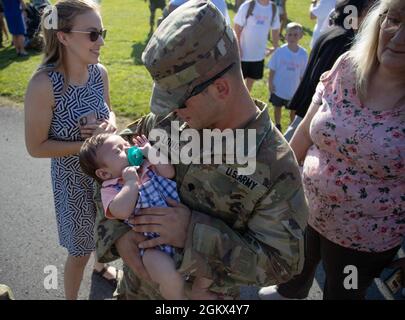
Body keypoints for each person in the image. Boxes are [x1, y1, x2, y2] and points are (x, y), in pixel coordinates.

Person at [94, 0, 308, 300]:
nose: (173, 112)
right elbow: (103, 169)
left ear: (221, 89)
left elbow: (283, 263)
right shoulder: (169, 120)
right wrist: (118, 235)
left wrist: (193, 234)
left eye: (180, 101)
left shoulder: (275, 165)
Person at [260, 0, 405, 300]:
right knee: (295, 267)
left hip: (363, 243)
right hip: (306, 211)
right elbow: (301, 138)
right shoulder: (346, 67)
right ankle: (293, 291)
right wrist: (265, 183)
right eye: (394, 19)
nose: (397, 36)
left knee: (343, 292)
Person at [24, 0, 119, 300]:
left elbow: (110, 112)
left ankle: (101, 267)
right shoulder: (43, 85)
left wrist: (109, 126)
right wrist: (88, 145)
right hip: (73, 186)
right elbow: (35, 147)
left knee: (106, 234)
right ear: (63, 37)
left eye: (102, 32)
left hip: (106, 179)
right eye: (92, 34)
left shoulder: (99, 72)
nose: (101, 40)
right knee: (79, 251)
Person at [79, 133, 216, 299]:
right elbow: (120, 211)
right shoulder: (111, 188)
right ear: (104, 174)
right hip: (152, 245)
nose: (128, 148)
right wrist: (130, 183)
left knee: (210, 257)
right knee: (169, 277)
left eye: (125, 143)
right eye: (119, 150)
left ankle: (199, 289)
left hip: (184, 234)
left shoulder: (146, 165)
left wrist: (150, 151)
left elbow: (169, 172)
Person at [283, 0, 375, 142]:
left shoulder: (334, 31)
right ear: (359, 12)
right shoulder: (343, 39)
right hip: (314, 105)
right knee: (288, 147)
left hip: (311, 102)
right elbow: (322, 78)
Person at [268, 22, 308, 133]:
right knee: (277, 107)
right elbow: (272, 69)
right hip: (279, 88)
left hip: (294, 89)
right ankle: (278, 124)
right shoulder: (280, 51)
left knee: (293, 110)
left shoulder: (303, 54)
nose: (292, 37)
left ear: (300, 36)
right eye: (289, 34)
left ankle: (292, 126)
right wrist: (270, 83)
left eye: (295, 35)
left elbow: (303, 74)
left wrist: (301, 90)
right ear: (285, 36)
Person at [234, 0, 280, 92]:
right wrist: (238, 47)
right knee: (238, 82)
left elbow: (275, 29)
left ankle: (246, 99)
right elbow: (236, 28)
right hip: (243, 55)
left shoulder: (273, 8)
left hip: (258, 55)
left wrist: (275, 47)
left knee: (251, 80)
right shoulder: (248, 5)